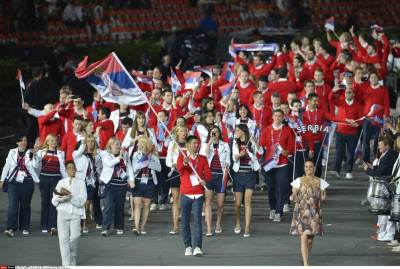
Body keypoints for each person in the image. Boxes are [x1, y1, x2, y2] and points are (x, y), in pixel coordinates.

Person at [176, 135, 212, 256]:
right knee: (185, 221)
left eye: (197, 143)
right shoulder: (182, 157)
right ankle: (188, 246)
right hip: (186, 193)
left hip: (198, 193)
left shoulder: (202, 159)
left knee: (197, 221)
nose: (196, 145)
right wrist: (185, 162)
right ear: (188, 145)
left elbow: (208, 175)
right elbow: (179, 169)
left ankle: (197, 247)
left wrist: (204, 180)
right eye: (193, 143)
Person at [290, 160, 329, 266]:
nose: (308, 169)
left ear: (314, 168)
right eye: (306, 167)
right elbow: (294, 193)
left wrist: (324, 197)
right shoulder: (298, 180)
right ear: (304, 168)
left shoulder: (321, 181)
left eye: (310, 166)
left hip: (315, 212)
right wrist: (293, 196)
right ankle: (306, 264)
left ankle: (305, 257)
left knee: (310, 240)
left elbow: (324, 197)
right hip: (302, 212)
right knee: (303, 236)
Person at [1, 134, 39, 237]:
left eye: (25, 140)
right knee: (12, 206)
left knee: (25, 205)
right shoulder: (12, 152)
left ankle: (25, 226)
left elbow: (35, 166)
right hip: (13, 182)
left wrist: (34, 155)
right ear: (17, 142)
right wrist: (2, 180)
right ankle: (11, 228)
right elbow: (6, 167)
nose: (23, 142)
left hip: (27, 182)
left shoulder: (30, 152)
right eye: (21, 140)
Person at [260, 109, 294, 222]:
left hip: (282, 164)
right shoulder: (266, 130)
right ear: (273, 117)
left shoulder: (288, 130)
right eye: (275, 116)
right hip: (270, 164)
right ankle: (272, 208)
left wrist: (285, 151)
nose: (277, 118)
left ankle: (279, 211)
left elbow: (291, 148)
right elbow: (261, 146)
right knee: (271, 189)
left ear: (283, 117)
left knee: (281, 188)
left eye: (280, 116)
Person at [52, 161, 87, 266]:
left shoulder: (81, 183)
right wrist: (62, 198)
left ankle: (73, 256)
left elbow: (82, 201)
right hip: (62, 211)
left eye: (73, 168)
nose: (71, 170)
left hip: (75, 213)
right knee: (63, 239)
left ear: (76, 169)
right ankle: (66, 263)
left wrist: (71, 197)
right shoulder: (61, 182)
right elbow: (54, 200)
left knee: (75, 236)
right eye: (69, 168)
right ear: (66, 170)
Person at [363, 137, 398, 242]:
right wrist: (372, 168)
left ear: (387, 145)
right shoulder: (391, 154)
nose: (378, 147)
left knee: (385, 211)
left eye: (380, 145)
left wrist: (367, 170)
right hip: (389, 184)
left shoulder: (389, 156)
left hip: (387, 185)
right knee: (386, 211)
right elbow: (381, 169)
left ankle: (387, 234)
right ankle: (385, 233)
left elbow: (379, 173)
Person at [33, 133, 67, 235]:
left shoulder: (61, 153)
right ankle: (44, 225)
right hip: (44, 179)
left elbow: (63, 169)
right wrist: (34, 155)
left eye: (55, 140)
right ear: (47, 142)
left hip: (56, 179)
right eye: (51, 140)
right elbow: (35, 166)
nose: (53, 142)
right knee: (45, 202)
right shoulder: (41, 152)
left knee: (54, 202)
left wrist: (66, 181)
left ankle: (52, 225)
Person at [200, 126, 230, 235]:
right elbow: (203, 156)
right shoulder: (205, 144)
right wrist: (209, 143)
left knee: (220, 203)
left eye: (216, 132)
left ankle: (218, 223)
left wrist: (227, 164)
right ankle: (208, 227)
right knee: (208, 202)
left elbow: (228, 159)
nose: (214, 134)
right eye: (212, 132)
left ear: (219, 133)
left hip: (221, 175)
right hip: (209, 175)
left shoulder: (225, 145)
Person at [127, 136, 161, 235]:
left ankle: (142, 227)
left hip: (149, 182)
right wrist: (131, 181)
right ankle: (136, 227)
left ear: (144, 144)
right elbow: (132, 169)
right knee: (137, 204)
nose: (137, 145)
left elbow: (159, 168)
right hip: (137, 182)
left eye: (139, 143)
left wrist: (148, 163)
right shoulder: (135, 155)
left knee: (146, 205)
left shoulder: (153, 155)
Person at [231, 124, 261, 237]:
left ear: (244, 131)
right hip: (238, 175)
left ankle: (247, 227)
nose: (236, 132)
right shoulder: (235, 142)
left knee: (247, 202)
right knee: (238, 204)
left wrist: (257, 144)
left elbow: (261, 152)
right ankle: (238, 222)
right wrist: (239, 154)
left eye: (238, 130)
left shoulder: (251, 141)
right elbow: (234, 157)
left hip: (250, 174)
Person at [99, 137, 129, 236]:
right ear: (110, 146)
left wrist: (131, 180)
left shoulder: (125, 155)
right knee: (108, 206)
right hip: (109, 184)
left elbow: (129, 168)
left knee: (120, 206)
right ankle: (105, 228)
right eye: (115, 144)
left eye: (119, 144)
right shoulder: (106, 155)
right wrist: (119, 157)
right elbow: (110, 164)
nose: (118, 146)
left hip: (121, 185)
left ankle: (119, 226)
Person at [72, 135, 103, 233]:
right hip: (81, 182)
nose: (90, 143)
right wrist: (83, 143)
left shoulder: (98, 154)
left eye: (92, 141)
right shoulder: (77, 154)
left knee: (89, 203)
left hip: (92, 182)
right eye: (88, 141)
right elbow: (80, 151)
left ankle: (86, 223)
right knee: (82, 204)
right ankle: (81, 224)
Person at [166, 125, 188, 234]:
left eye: (185, 130)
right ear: (177, 133)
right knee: (175, 199)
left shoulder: (190, 143)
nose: (183, 133)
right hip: (175, 172)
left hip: (186, 173)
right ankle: (175, 226)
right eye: (181, 131)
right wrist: (173, 164)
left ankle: (184, 224)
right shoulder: (172, 144)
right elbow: (167, 161)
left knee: (183, 200)